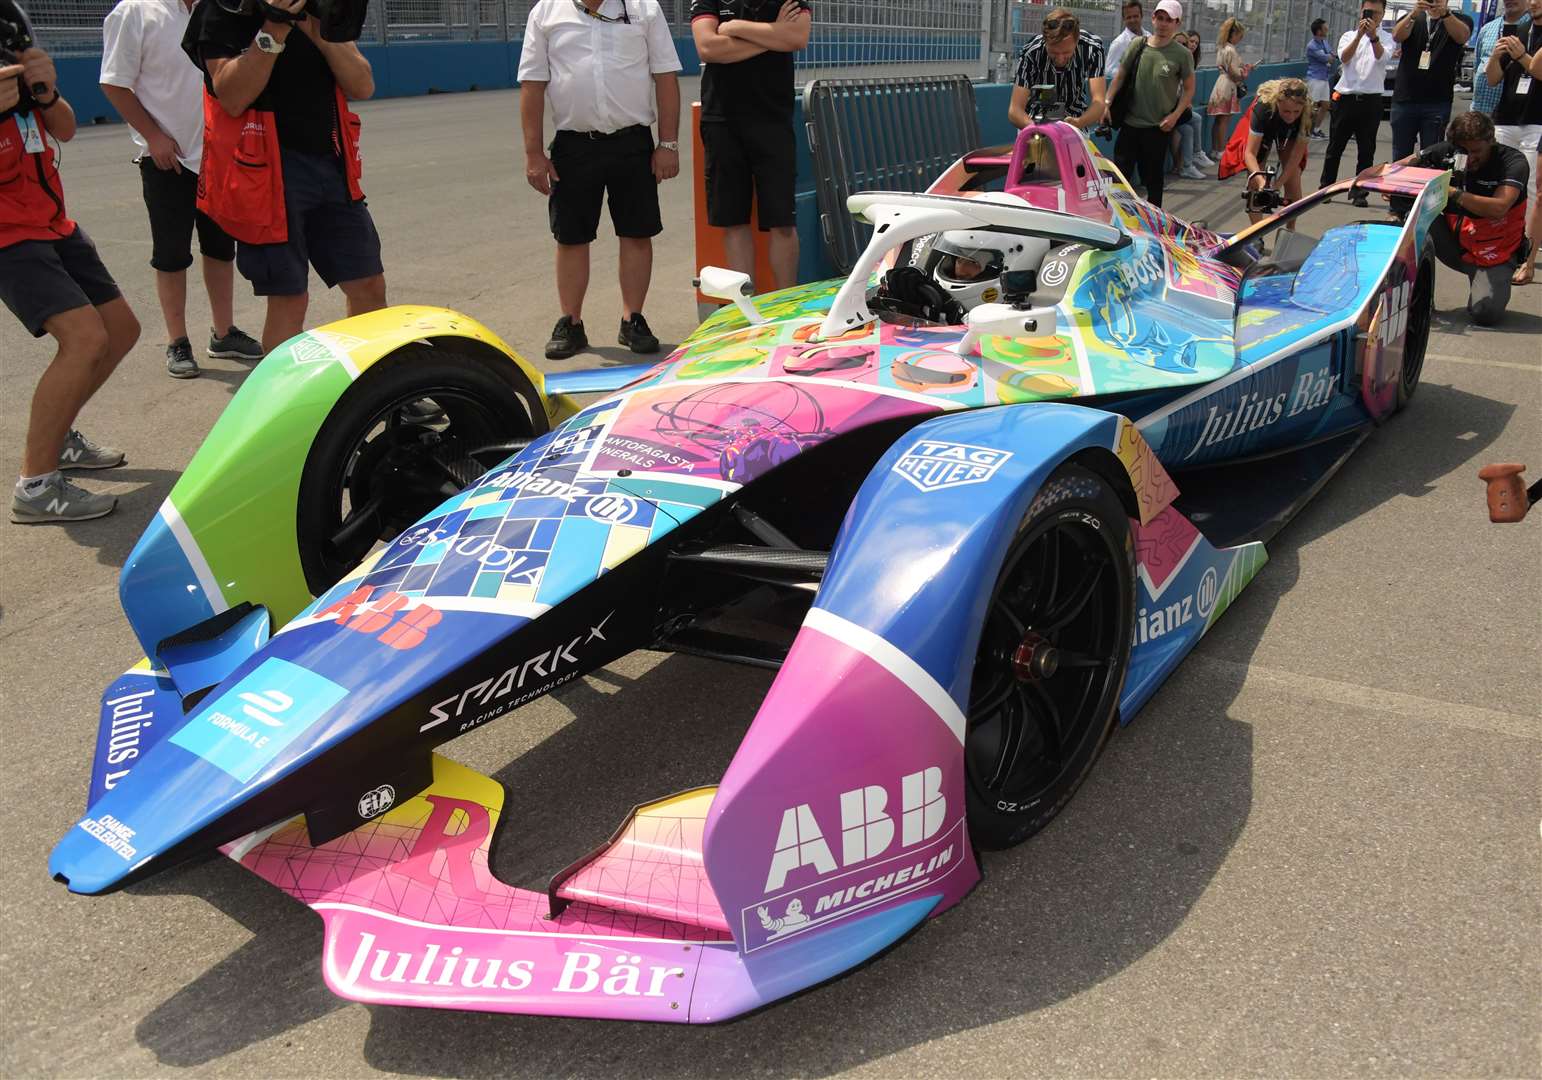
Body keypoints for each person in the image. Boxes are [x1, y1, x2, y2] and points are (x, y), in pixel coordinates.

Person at [1, 13, 141, 524]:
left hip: (54, 225)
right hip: (9, 234)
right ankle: (35, 486)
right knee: (83, 339)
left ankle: (58, 438)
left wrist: (43, 90)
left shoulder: (22, 77)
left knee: (121, 329)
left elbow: (64, 129)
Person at [186, 0, 386, 355]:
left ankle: (373, 386)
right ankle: (286, 405)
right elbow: (231, 95)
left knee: (368, 284)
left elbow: (363, 84)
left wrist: (319, 35)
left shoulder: (319, 8)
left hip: (332, 166)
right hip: (265, 178)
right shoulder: (223, 9)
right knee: (290, 299)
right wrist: (274, 28)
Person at [100, 0, 262, 379]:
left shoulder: (221, 8)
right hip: (167, 158)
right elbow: (114, 82)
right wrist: (153, 136)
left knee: (221, 249)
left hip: (219, 155)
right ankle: (177, 341)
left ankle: (223, 333)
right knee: (171, 255)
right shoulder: (136, 11)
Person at [520, 0, 682, 361]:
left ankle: (632, 319)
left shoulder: (645, 9)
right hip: (573, 145)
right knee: (571, 235)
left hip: (632, 141)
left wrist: (667, 143)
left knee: (637, 232)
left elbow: (666, 77)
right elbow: (532, 84)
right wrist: (533, 154)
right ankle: (571, 322)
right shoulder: (546, 12)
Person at [691, 0, 812, 295]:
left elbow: (796, 38)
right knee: (733, 220)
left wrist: (736, 29)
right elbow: (708, 47)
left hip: (772, 118)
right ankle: (745, 310)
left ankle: (785, 305)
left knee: (782, 222)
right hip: (722, 118)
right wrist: (774, 36)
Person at [1369, 111, 1529, 323]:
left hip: (1495, 251)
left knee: (1485, 313)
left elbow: (1499, 208)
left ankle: (1492, 280)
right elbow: (1397, 167)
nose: (1470, 157)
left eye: (1476, 151)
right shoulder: (1446, 151)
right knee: (1410, 213)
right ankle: (1415, 296)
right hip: (1456, 244)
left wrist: (1451, 191)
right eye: (1464, 151)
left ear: (1491, 140)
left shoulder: (1513, 161)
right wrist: (1390, 181)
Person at [1106, 0, 1195, 208]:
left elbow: (1189, 89)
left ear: (1177, 24)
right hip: (1129, 125)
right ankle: (1119, 222)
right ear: (1153, 18)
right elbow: (1120, 75)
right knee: (1119, 182)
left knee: (1153, 183)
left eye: (1169, 20)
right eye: (1160, 18)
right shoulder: (1138, 45)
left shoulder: (1182, 55)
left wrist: (1174, 116)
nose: (1163, 24)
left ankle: (1155, 228)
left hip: (1157, 129)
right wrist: (1107, 101)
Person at [1487, 0, 1542, 284]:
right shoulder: (1519, 31)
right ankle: (1498, 242)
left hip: (1537, 120)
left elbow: (1538, 70)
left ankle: (1526, 253)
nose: (1533, 3)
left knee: (1533, 189)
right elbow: (1493, 79)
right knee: (1500, 182)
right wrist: (1496, 57)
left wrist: (1521, 56)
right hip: (1507, 117)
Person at [1319, 0, 1394, 207]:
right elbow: (1344, 58)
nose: (1372, 16)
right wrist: (1360, 35)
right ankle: (1326, 188)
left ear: (1383, 14)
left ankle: (1360, 192)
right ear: (1361, 11)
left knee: (1366, 149)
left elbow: (1382, 58)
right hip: (1346, 98)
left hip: (1370, 100)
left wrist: (1373, 37)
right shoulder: (1348, 36)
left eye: (1377, 13)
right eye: (1368, 12)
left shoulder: (1386, 38)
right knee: (1335, 147)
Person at [1389, 0, 1473, 159]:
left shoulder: (1459, 19)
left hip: (1437, 101)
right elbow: (1397, 36)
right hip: (1405, 99)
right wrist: (1413, 14)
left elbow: (1462, 37)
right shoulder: (1413, 17)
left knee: (1432, 156)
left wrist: (1445, 14)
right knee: (1400, 155)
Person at [1009, 8, 1106, 131]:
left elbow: (1099, 102)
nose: (1060, 59)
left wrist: (1080, 122)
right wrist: (1039, 130)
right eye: (1054, 52)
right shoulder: (1031, 52)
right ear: (1045, 41)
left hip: (1075, 123)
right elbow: (1015, 110)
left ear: (1077, 42)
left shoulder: (1092, 49)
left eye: (1066, 52)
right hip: (1034, 123)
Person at [1240, 78, 1311, 224]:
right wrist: (1261, 183)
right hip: (1268, 123)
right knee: (1254, 180)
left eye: (1296, 112)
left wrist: (1277, 184)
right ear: (1278, 102)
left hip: (1290, 133)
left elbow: (1295, 157)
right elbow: (1250, 153)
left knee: (1293, 181)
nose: (1290, 116)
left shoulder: (1308, 112)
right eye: (1286, 111)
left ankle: (1289, 230)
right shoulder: (1263, 107)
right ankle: (1256, 234)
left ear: (1303, 107)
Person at [1473, 0, 1530, 118]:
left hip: (1515, 114)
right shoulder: (1487, 28)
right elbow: (1478, 63)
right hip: (1480, 108)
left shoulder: (1532, 29)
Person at [1207, 17, 1251, 158]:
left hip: (1220, 82)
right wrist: (1245, 73)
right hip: (1229, 86)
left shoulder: (1222, 47)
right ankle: (1220, 150)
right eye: (1239, 35)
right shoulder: (1231, 50)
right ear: (1233, 34)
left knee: (1218, 120)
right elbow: (1234, 73)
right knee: (1224, 120)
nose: (1240, 38)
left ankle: (1215, 149)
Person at [1171, 31, 1212, 178]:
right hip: (1169, 108)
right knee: (1196, 119)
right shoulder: (1173, 59)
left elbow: (1185, 87)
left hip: (1177, 105)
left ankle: (1187, 166)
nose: (1192, 45)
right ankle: (1196, 154)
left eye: (1196, 42)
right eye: (1191, 42)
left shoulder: (1189, 60)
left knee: (1187, 130)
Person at [1306, 19, 1335, 138]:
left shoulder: (1324, 42)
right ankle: (1306, 130)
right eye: (1325, 29)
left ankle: (1316, 130)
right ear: (1318, 31)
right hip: (1315, 78)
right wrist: (1330, 56)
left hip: (1324, 78)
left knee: (1326, 105)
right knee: (1312, 106)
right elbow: (1328, 58)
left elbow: (1332, 54)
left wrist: (1330, 56)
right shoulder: (1312, 45)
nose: (1327, 30)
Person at [1104, 0, 1146, 78]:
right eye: (1129, 17)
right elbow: (1109, 70)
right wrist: (1130, 74)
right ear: (1124, 19)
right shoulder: (1119, 43)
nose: (1132, 20)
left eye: (1135, 16)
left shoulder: (1149, 37)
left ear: (1142, 16)